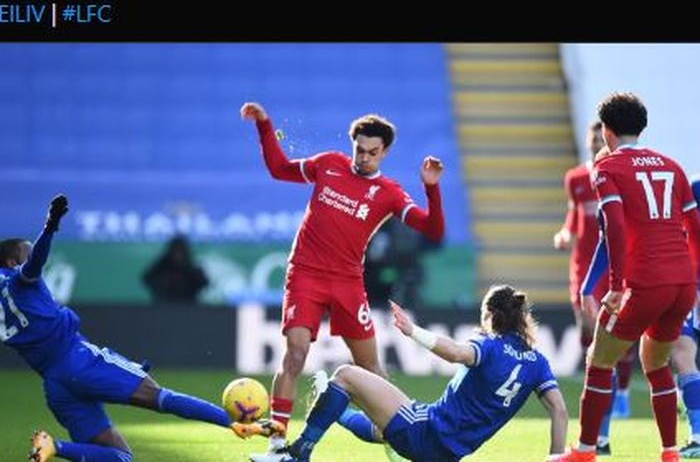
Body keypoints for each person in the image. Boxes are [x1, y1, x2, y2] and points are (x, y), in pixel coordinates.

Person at [239, 102, 445, 461]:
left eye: (372, 152)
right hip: (305, 273)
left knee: (371, 369)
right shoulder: (329, 164)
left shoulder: (389, 192)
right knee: (296, 353)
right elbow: (278, 168)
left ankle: (396, 440)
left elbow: (433, 229)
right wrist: (264, 125)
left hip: (348, 282)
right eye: (360, 149)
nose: (364, 158)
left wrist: (431, 189)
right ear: (353, 145)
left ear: (385, 152)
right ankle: (276, 446)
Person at [0, 196, 240, 462]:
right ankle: (233, 423)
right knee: (161, 397)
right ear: (12, 262)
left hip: (55, 385)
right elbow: (33, 266)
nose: (31, 256)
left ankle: (55, 447)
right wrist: (50, 226)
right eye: (26, 252)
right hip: (79, 360)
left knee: (119, 457)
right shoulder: (17, 281)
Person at [234, 285, 568, 462]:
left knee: (346, 375)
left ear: (491, 315)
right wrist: (556, 458)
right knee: (382, 428)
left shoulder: (489, 346)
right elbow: (560, 410)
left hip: (427, 430)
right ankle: (334, 410)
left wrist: (412, 331)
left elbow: (454, 352)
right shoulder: (537, 362)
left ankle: (298, 454)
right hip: (448, 454)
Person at [553, 93, 700, 462]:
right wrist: (695, 283)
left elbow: (614, 228)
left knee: (598, 359)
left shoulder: (607, 168)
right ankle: (670, 451)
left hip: (645, 283)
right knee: (655, 363)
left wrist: (617, 287)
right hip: (681, 284)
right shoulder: (672, 166)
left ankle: (586, 450)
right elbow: (695, 229)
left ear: (606, 131)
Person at [554, 121, 636, 426]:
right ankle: (602, 386)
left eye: (598, 135)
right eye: (590, 135)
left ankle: (620, 394)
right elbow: (574, 214)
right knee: (588, 329)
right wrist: (565, 233)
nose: (593, 140)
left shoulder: (617, 174)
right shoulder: (575, 178)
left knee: (618, 334)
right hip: (582, 265)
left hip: (613, 264)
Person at [671, 174, 700, 458]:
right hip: (691, 283)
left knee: (682, 355)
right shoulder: (694, 187)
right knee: (681, 354)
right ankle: (698, 434)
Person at [142, 234, 209, 304]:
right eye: (176, 251)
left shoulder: (190, 267)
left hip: (187, 306)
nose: (178, 255)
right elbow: (147, 278)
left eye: (180, 251)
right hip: (164, 305)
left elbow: (204, 282)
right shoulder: (162, 266)